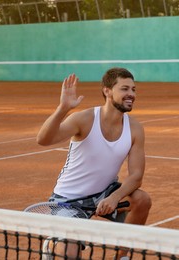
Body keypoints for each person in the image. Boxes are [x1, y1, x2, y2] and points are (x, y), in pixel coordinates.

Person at [37, 67, 152, 259]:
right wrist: (63, 109)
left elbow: (136, 176)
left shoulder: (135, 129)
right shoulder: (85, 119)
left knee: (142, 200)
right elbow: (43, 139)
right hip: (68, 201)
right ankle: (52, 244)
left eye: (133, 89)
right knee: (70, 254)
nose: (131, 94)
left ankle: (121, 257)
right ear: (107, 90)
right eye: (125, 89)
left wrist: (114, 197)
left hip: (104, 194)